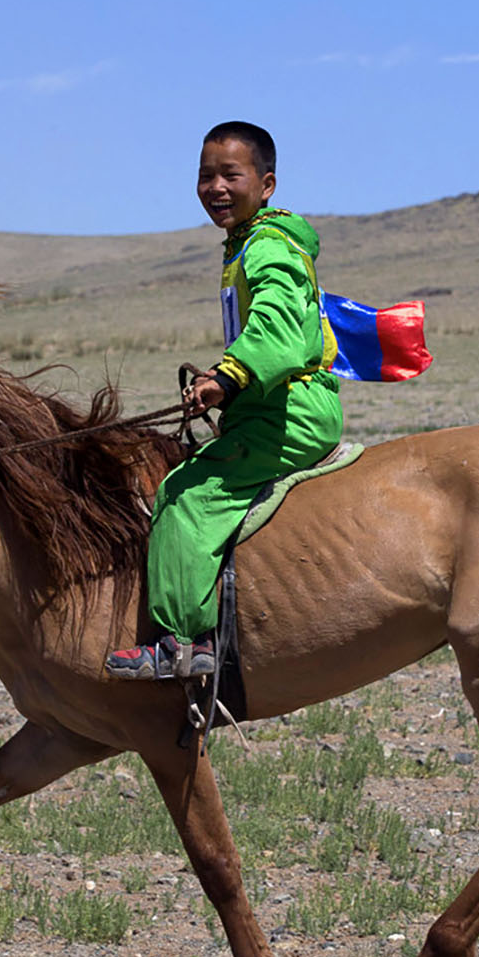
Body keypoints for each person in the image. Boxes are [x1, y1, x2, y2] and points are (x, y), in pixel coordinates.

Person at [107, 123, 343, 680]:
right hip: (267, 406)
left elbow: (279, 334)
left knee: (184, 497)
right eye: (204, 175)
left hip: (289, 412)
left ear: (266, 184)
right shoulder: (246, 245)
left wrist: (229, 376)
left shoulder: (266, 247)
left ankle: (187, 644)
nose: (215, 187)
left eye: (229, 175)